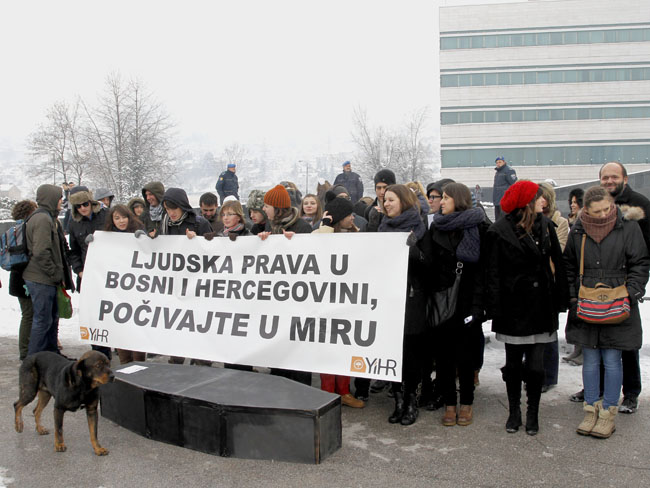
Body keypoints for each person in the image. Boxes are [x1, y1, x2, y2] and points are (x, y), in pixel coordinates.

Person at [564, 186, 649, 438]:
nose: (603, 215)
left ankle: (608, 413)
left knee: (612, 359)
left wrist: (631, 292)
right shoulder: (578, 229)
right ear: (586, 210)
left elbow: (640, 262)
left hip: (618, 300)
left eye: (606, 209)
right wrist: (573, 295)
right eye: (597, 211)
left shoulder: (628, 226)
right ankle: (590, 409)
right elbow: (568, 264)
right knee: (590, 359)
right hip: (587, 300)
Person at [484, 180, 568, 435]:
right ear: (526, 202)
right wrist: (494, 307)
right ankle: (514, 411)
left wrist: (562, 299)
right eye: (538, 197)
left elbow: (558, 262)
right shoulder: (499, 231)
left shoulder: (546, 226)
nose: (544, 201)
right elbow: (492, 272)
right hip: (513, 308)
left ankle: (533, 412)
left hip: (541, 305)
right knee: (512, 365)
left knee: (536, 366)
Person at [430, 183, 489, 427]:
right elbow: (430, 265)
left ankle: (466, 402)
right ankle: (449, 403)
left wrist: (478, 306)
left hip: (468, 300)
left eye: (446, 197)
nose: (441, 201)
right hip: (442, 300)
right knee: (444, 356)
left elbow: (484, 271)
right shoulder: (436, 227)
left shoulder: (479, 227)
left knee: (466, 356)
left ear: (459, 199)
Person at [599, 161, 650, 414]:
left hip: (626, 285)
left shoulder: (640, 204)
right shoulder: (596, 204)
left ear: (625, 179)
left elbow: (646, 251)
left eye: (614, 177)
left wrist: (636, 286)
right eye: (605, 177)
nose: (609, 181)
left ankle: (630, 393)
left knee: (627, 343)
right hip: (598, 286)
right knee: (597, 340)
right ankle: (595, 388)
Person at [378, 184, 431, 426]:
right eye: (385, 200)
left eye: (391, 199)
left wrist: (413, 250)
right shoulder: (381, 228)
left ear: (404, 201)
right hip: (388, 300)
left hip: (412, 301)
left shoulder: (421, 228)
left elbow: (429, 266)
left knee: (411, 353)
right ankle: (398, 399)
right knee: (392, 351)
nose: (386, 203)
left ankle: (411, 400)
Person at [312, 197, 365, 408]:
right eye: (349, 215)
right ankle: (327, 393)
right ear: (339, 217)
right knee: (326, 350)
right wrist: (325, 228)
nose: (353, 218)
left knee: (344, 349)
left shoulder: (357, 236)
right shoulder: (318, 235)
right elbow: (320, 251)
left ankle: (344, 391)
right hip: (325, 301)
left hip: (348, 301)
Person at [258, 184, 313, 384]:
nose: (263, 209)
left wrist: (295, 244)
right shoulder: (269, 227)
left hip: (297, 302)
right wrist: (263, 242)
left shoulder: (302, 228)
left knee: (297, 355)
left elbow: (311, 263)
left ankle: (301, 392)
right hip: (276, 301)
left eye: (267, 206)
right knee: (279, 354)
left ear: (277, 208)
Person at [355, 168, 397, 401]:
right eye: (378, 188)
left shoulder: (403, 210)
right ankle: (378, 375)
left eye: (385, 188)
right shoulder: (372, 211)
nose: (381, 192)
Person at [159, 188, 212, 366]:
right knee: (177, 326)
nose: (171, 213)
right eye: (167, 209)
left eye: (174, 208)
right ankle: (176, 361)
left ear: (182, 206)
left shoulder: (200, 223)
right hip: (175, 286)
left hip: (198, 287)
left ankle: (202, 363)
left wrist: (198, 241)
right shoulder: (164, 224)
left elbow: (213, 251)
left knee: (199, 327)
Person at [22, 184, 74, 355]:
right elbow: (41, 252)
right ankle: (34, 359)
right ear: (51, 199)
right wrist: (55, 273)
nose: (62, 201)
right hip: (41, 278)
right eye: (59, 198)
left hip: (44, 278)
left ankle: (51, 356)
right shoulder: (43, 219)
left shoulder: (45, 217)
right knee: (42, 321)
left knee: (50, 320)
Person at [68, 186, 111, 360]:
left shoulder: (106, 215)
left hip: (110, 274)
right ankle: (99, 353)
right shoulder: (73, 223)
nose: (82, 208)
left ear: (91, 202)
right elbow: (73, 251)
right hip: (88, 276)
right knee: (93, 316)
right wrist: (79, 270)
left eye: (85, 204)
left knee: (110, 314)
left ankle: (112, 348)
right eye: (78, 206)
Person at [103, 205, 147, 364]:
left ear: (129, 217)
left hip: (137, 289)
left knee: (137, 330)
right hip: (117, 291)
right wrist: (94, 243)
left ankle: (139, 365)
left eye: (124, 217)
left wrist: (146, 240)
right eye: (117, 218)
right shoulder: (107, 237)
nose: (121, 221)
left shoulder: (139, 231)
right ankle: (125, 366)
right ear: (112, 220)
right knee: (120, 330)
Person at [538, 182, 570, 393]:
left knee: (549, 332)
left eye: (541, 197)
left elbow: (558, 251)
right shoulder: (525, 219)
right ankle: (532, 372)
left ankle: (549, 376)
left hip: (550, 283)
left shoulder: (560, 221)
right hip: (532, 285)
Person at [9, 200, 37, 360]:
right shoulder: (26, 229)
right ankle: (25, 351)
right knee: (29, 315)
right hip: (26, 278)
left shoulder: (13, 230)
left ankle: (26, 349)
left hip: (16, 278)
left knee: (27, 314)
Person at [492, 156, 517, 220]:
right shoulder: (498, 172)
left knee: (504, 219)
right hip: (497, 199)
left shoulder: (509, 171)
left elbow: (514, 184)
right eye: (497, 162)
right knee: (497, 219)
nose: (498, 164)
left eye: (500, 162)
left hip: (504, 199)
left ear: (504, 162)